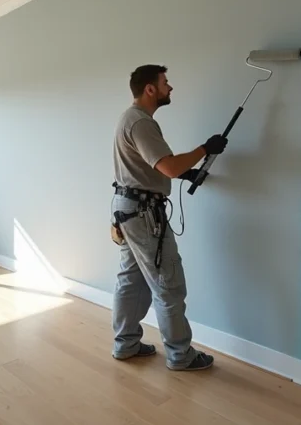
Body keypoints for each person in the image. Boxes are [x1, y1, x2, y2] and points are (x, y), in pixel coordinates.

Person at [110, 64, 227, 371]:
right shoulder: (140, 122)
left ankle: (126, 344)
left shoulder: (131, 119)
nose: (170, 87)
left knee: (131, 282)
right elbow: (169, 167)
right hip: (144, 215)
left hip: (129, 208)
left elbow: (155, 166)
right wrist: (205, 148)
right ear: (150, 89)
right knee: (168, 284)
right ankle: (181, 355)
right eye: (165, 83)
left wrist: (187, 172)